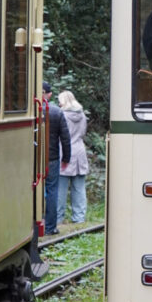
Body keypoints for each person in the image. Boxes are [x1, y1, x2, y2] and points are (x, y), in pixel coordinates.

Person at [56, 90, 89, 224]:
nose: (58, 104)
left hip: (64, 151)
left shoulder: (61, 115)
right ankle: (79, 217)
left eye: (59, 101)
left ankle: (58, 217)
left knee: (60, 188)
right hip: (80, 152)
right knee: (79, 187)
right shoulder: (82, 115)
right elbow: (83, 133)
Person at [42, 81, 70, 235]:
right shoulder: (56, 112)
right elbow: (65, 138)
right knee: (52, 190)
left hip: (32, 158)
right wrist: (66, 158)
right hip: (51, 158)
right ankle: (50, 227)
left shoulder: (30, 111)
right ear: (50, 94)